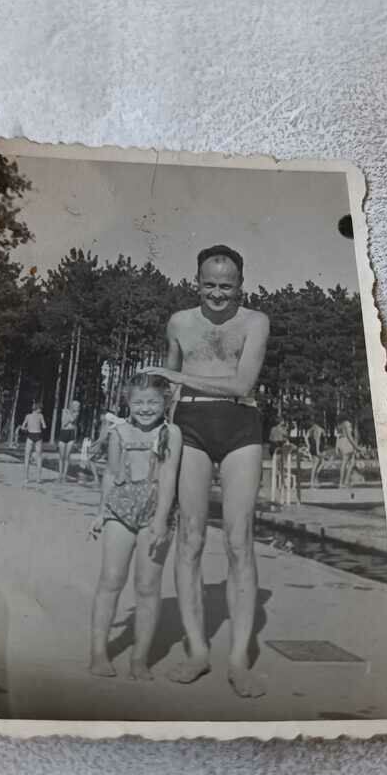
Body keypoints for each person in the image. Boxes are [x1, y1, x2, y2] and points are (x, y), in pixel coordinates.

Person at [144, 244, 270, 699]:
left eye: (227, 286)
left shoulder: (256, 322)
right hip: (190, 425)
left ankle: (238, 659)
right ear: (196, 282)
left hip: (240, 423)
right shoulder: (179, 322)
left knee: (240, 539)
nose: (218, 294)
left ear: (241, 285)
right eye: (209, 285)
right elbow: (166, 384)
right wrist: (159, 428)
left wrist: (175, 378)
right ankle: (198, 650)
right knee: (190, 537)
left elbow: (242, 384)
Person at [89, 374, 182, 681]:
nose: (145, 408)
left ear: (164, 403)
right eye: (139, 402)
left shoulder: (172, 433)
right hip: (120, 509)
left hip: (156, 512)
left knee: (147, 586)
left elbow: (168, 478)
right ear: (128, 403)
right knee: (111, 580)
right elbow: (111, 474)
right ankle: (99, 653)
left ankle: (139, 659)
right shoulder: (118, 432)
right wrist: (101, 512)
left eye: (153, 402)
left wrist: (160, 520)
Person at [21, 401, 46, 485]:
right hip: (38, 436)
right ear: (37, 409)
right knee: (39, 457)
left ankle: (25, 478)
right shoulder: (40, 416)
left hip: (30, 435)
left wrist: (27, 427)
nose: (41, 410)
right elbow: (44, 426)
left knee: (27, 457)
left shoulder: (28, 416)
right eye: (41, 408)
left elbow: (23, 427)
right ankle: (38, 478)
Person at [57, 400, 80, 481]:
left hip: (71, 433)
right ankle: (60, 474)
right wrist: (68, 417)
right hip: (63, 432)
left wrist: (68, 415)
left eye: (78, 406)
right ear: (71, 405)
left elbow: (72, 420)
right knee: (61, 456)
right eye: (76, 405)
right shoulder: (64, 411)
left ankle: (64, 475)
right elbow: (63, 423)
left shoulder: (76, 413)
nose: (77, 407)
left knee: (67, 456)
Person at [336, 415, 360, 488]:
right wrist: (356, 447)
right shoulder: (347, 423)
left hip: (343, 442)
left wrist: (337, 447)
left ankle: (345, 481)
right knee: (346, 462)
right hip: (347, 443)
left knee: (351, 462)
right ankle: (342, 482)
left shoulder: (341, 425)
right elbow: (349, 437)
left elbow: (338, 436)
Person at [307, 420, 325, 487]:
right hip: (317, 447)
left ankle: (315, 479)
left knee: (321, 463)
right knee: (317, 464)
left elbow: (306, 437)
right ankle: (313, 480)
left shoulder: (312, 428)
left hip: (313, 446)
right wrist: (318, 450)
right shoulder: (319, 429)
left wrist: (308, 445)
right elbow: (318, 439)